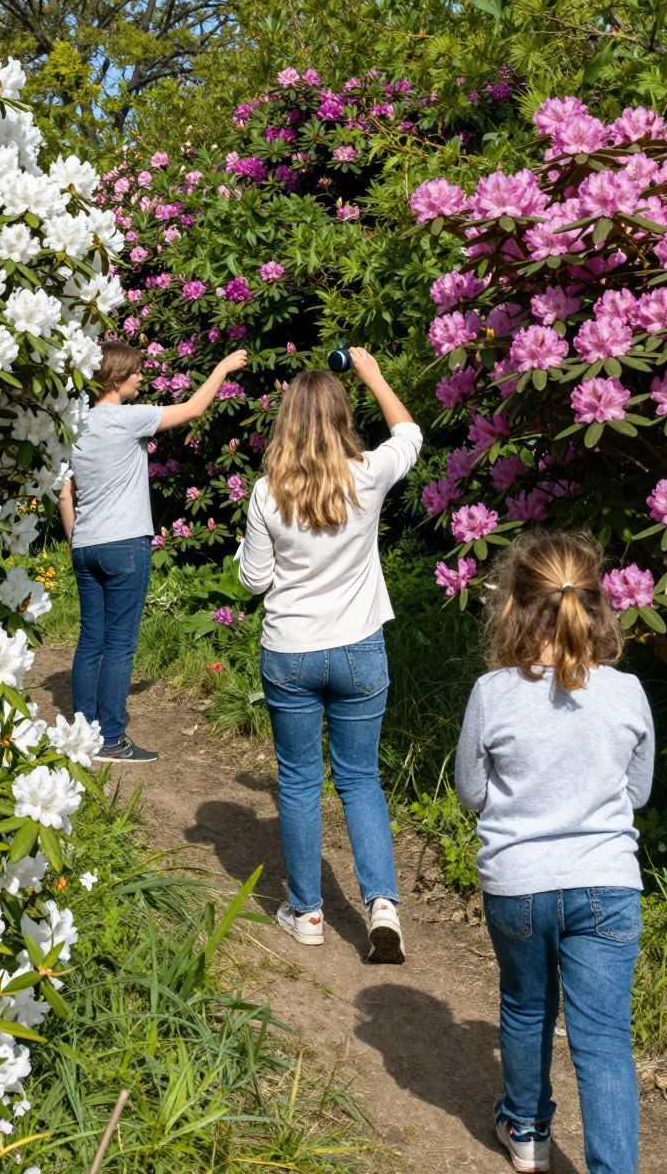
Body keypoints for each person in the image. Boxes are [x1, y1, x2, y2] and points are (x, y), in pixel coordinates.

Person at [455, 530, 655, 1174]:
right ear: (597, 608)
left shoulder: (493, 693)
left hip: (519, 883)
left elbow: (470, 791)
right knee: (603, 1042)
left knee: (525, 1006)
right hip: (607, 881)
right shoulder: (627, 693)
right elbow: (639, 792)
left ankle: (528, 1133)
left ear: (512, 605)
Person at [236, 348, 421, 960]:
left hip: (290, 650)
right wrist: (373, 372)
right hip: (359, 648)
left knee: (297, 781)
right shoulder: (366, 473)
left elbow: (254, 582)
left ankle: (309, 912)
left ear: (285, 421)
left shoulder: (267, 493)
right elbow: (410, 434)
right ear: (343, 416)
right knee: (361, 779)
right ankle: (383, 906)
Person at [59, 342, 246, 763]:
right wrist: (222, 367)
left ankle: (82, 736)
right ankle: (110, 741)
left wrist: (77, 540)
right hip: (125, 544)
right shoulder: (129, 419)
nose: (142, 379)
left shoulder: (73, 425)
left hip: (86, 546)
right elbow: (194, 409)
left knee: (91, 641)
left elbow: (64, 495)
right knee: (120, 644)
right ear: (117, 378)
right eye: (136, 373)